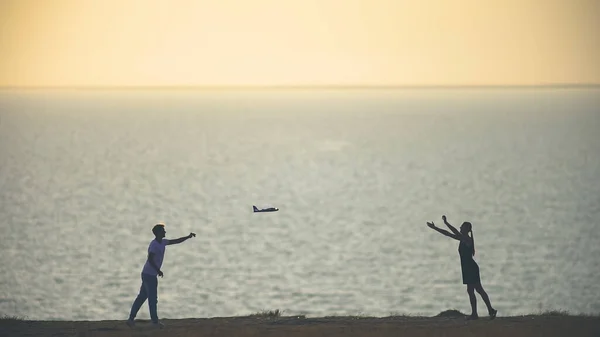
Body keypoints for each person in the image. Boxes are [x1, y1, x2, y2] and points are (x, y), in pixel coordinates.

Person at [427, 215, 497, 320]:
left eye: (462, 227)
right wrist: (436, 227)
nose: (460, 227)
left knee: (476, 290)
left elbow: (452, 232)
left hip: (471, 268)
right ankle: (487, 311)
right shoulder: (463, 239)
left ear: (467, 229)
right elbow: (450, 233)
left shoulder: (466, 239)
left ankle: (478, 313)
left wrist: (444, 224)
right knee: (475, 290)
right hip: (467, 268)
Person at [126, 223, 196, 328]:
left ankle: (131, 319)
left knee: (142, 297)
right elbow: (150, 259)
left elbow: (175, 241)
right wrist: (158, 270)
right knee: (152, 299)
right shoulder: (154, 245)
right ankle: (154, 322)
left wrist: (188, 236)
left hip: (147, 274)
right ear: (158, 232)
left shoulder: (162, 242)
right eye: (163, 230)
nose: (165, 232)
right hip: (149, 275)